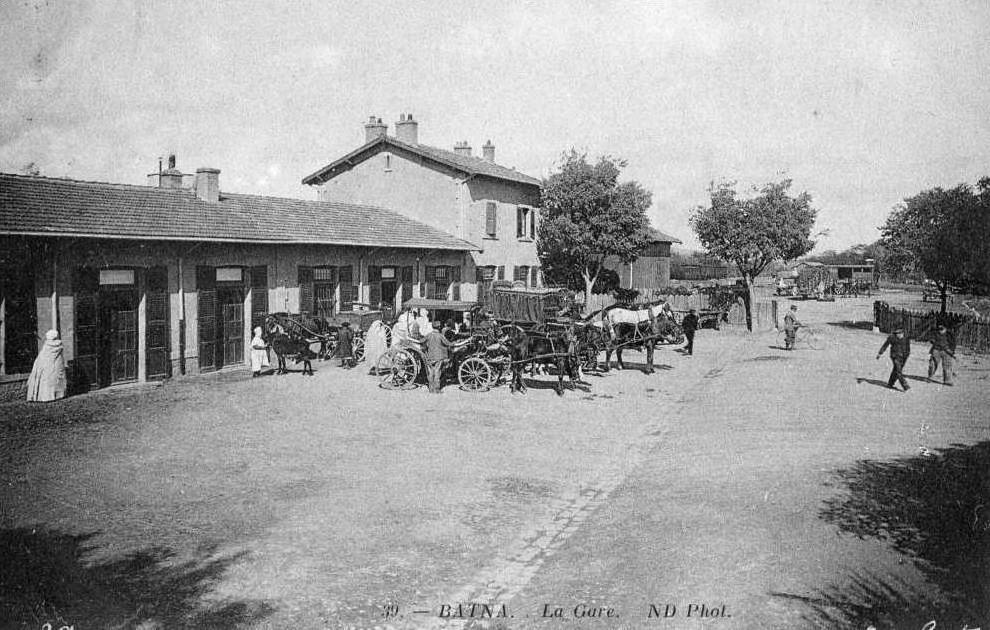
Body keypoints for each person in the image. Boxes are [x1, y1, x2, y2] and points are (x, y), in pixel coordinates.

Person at [26, 329, 67, 402]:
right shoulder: (59, 345)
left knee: (45, 381)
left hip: (45, 365)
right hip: (56, 365)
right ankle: (56, 395)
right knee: (54, 380)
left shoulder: (47, 346)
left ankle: (45, 396)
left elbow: (42, 357)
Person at [423, 324, 455, 393]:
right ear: (439, 327)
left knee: (431, 372)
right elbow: (448, 343)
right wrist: (455, 343)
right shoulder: (440, 336)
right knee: (437, 372)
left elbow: (421, 341)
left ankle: (431, 389)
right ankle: (437, 389)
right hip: (438, 357)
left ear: (432, 327)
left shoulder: (429, 335)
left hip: (430, 356)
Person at [877, 327, 911, 391]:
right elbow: (885, 345)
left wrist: (907, 355)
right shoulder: (892, 338)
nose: (898, 335)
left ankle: (890, 384)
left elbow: (908, 348)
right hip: (895, 356)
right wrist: (880, 353)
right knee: (898, 371)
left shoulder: (906, 339)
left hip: (903, 357)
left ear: (902, 333)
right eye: (896, 333)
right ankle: (905, 386)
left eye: (899, 333)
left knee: (896, 370)